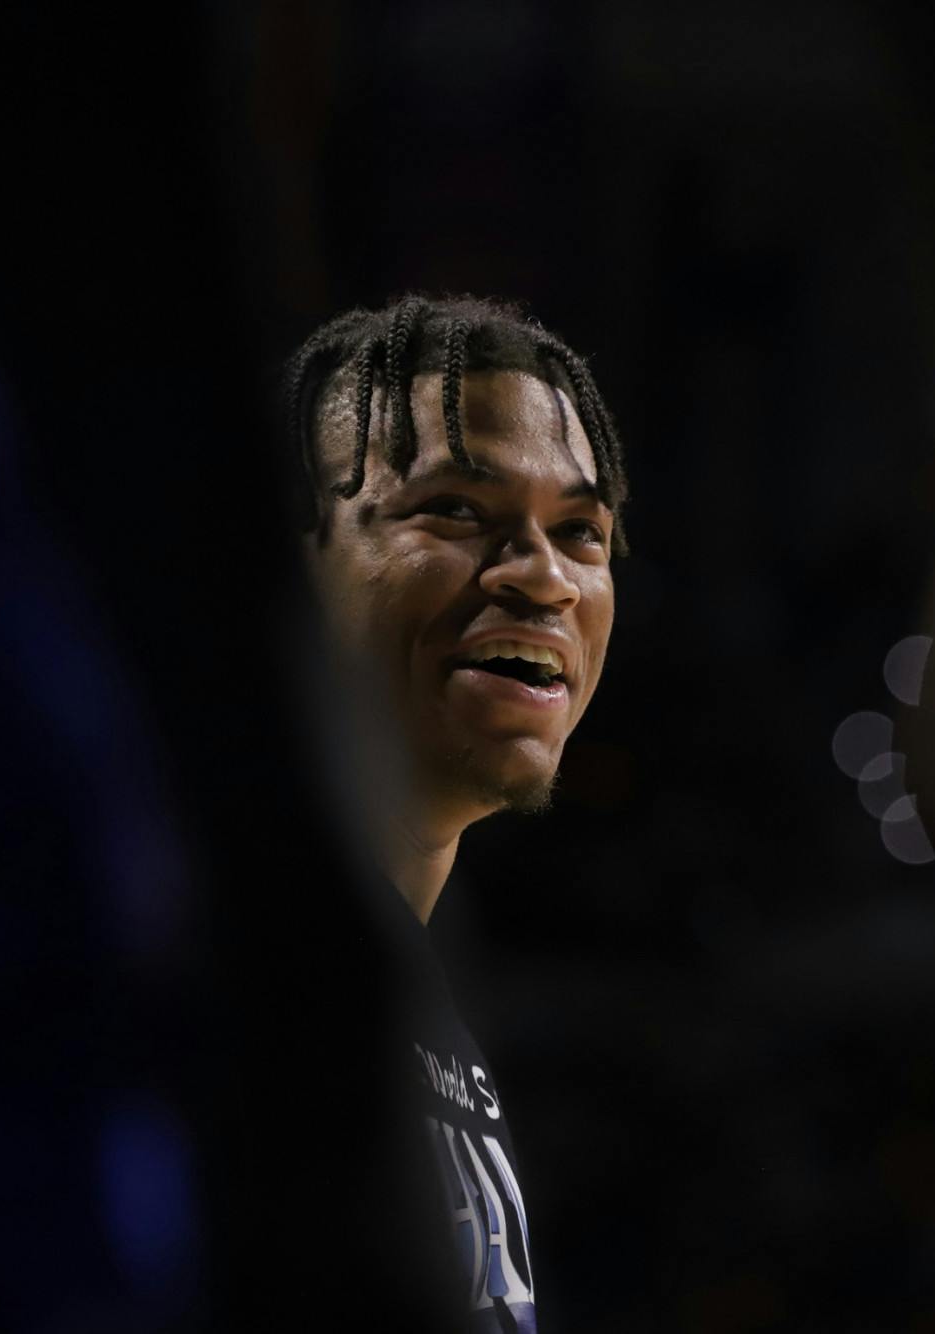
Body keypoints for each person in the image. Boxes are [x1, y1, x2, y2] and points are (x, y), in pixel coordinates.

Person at [280, 294, 630, 1332]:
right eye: (458, 511)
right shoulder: (215, 975)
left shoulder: (415, 994)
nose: (545, 578)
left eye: (580, 531)